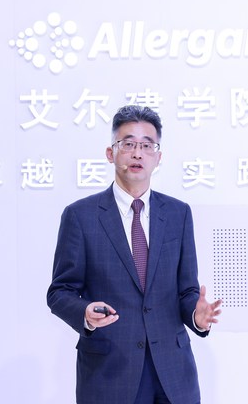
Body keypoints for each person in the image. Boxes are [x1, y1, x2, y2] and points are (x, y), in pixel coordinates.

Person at [47, 105, 222, 404]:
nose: (138, 153)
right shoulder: (81, 216)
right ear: (110, 153)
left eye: (146, 145)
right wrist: (85, 313)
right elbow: (60, 292)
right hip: (110, 372)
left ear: (158, 157)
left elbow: (186, 291)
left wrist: (196, 315)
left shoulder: (178, 214)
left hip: (173, 374)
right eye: (128, 144)